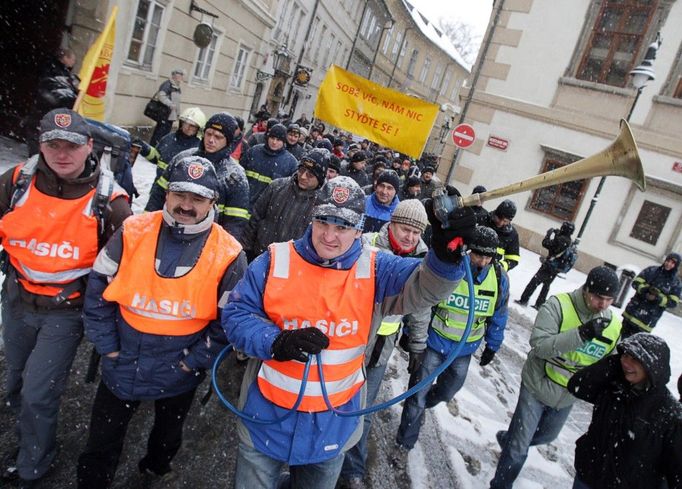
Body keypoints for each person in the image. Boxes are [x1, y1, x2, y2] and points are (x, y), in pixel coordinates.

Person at [222, 176, 478, 489]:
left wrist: (445, 254)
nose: (329, 236)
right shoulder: (275, 259)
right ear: (312, 219)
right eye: (323, 222)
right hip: (265, 418)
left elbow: (424, 288)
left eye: (342, 226)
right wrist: (275, 341)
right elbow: (237, 314)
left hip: (333, 424)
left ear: (359, 230)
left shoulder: (376, 268)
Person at [76, 156, 247, 488]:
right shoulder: (133, 230)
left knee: (167, 436)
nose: (186, 205)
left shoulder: (229, 253)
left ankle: (155, 468)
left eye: (197, 198)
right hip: (121, 362)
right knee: (100, 443)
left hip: (179, 372)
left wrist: (190, 364)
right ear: (166, 194)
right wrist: (109, 348)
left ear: (213, 202)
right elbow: (98, 288)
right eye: (179, 194)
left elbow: (228, 322)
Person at [0, 108, 132, 487]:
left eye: (71, 145)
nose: (61, 153)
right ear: (40, 145)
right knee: (16, 381)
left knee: (38, 392)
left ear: (89, 146)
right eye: (52, 144)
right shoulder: (16, 182)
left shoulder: (111, 202)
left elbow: (127, 265)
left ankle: (33, 466)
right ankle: (29, 436)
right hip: (17, 298)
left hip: (66, 312)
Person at [490, 266, 623, 489]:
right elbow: (540, 346)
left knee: (545, 437)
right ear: (586, 290)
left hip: (568, 394)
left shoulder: (613, 325)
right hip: (537, 383)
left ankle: (508, 439)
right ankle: (500, 484)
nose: (603, 305)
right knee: (518, 449)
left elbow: (610, 363)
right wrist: (582, 334)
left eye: (609, 300)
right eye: (599, 297)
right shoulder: (558, 305)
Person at [339, 200, 431, 488]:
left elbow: (421, 305)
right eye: (406, 229)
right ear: (392, 224)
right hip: (348, 340)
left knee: (363, 411)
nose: (410, 237)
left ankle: (352, 469)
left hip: (380, 348)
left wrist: (417, 345)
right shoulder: (365, 246)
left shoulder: (422, 258)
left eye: (416, 233)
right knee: (330, 403)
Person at [396, 226, 510, 450]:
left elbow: (499, 313)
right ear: (469, 251)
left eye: (488, 257)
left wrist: (493, 345)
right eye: (478, 255)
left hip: (463, 351)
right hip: (434, 342)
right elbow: (423, 301)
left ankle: (421, 405)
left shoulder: (498, 278)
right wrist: (410, 334)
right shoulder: (451, 269)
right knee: (417, 394)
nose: (482, 262)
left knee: (447, 391)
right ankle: (405, 442)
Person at [567, 333, 682, 489]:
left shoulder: (670, 413)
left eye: (635, 359)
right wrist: (613, 362)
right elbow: (577, 386)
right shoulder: (614, 386)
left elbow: (676, 469)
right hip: (588, 476)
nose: (626, 362)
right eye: (625, 355)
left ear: (653, 366)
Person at [145, 112, 251, 241]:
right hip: (168, 233)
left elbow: (235, 223)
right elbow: (158, 195)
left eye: (218, 137)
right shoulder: (183, 159)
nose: (211, 140)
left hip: (205, 241)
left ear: (228, 141)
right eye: (209, 134)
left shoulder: (235, 176)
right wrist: (147, 225)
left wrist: (220, 248)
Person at [241, 149, 328, 261]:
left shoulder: (322, 204)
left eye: (310, 175)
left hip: (294, 264)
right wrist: (245, 249)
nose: (303, 177)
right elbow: (255, 218)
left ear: (320, 178)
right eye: (301, 170)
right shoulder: (277, 186)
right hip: (261, 256)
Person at [24, 48, 80, 156]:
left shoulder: (64, 72)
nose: (74, 62)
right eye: (72, 59)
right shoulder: (54, 71)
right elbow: (56, 94)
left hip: (48, 117)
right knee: (37, 145)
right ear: (64, 58)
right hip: (43, 116)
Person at [516, 221, 576, 309]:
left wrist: (548, 235)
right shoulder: (569, 241)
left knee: (534, 282)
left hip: (549, 265)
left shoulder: (561, 239)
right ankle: (539, 304)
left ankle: (524, 300)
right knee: (546, 285)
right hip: (556, 267)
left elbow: (546, 244)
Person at [621, 253, 681, 338]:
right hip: (631, 313)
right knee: (619, 338)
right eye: (668, 261)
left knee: (632, 346)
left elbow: (673, 302)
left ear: (676, 266)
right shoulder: (651, 270)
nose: (669, 264)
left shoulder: (676, 283)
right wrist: (645, 290)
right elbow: (636, 282)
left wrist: (658, 298)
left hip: (647, 321)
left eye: (672, 263)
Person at [138, 106, 206, 180]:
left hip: (179, 190)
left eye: (192, 126)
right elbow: (156, 157)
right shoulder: (168, 138)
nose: (187, 127)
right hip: (158, 188)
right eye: (185, 123)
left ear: (199, 129)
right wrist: (143, 147)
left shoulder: (199, 148)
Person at [241, 123, 298, 210]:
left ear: (284, 142)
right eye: (272, 138)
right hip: (244, 204)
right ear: (268, 138)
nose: (274, 142)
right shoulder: (253, 152)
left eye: (278, 140)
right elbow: (240, 174)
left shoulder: (291, 163)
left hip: (267, 210)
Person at [149, 68, 185, 146]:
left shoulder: (177, 87)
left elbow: (177, 102)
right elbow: (161, 96)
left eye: (181, 76)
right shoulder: (167, 84)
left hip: (171, 115)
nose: (180, 78)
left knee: (165, 133)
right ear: (174, 76)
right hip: (164, 113)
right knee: (159, 132)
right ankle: (154, 147)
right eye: (178, 75)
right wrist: (170, 104)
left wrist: (178, 114)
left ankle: (160, 147)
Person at [484, 200, 520, 271]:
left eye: (505, 221)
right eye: (499, 218)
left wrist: (500, 266)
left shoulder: (512, 234)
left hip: (491, 271)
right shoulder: (483, 220)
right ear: (495, 214)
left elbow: (513, 259)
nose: (500, 223)